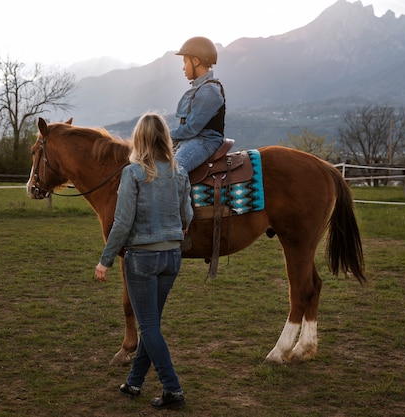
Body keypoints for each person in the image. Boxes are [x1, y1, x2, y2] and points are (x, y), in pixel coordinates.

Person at [95, 112, 193, 409]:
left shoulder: (133, 173)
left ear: (138, 139)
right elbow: (187, 215)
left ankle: (172, 389)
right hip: (171, 258)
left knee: (149, 327)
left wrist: (105, 260)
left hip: (141, 259)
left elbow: (122, 223)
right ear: (165, 138)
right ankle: (135, 382)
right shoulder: (180, 173)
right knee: (152, 325)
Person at [171, 36, 226, 173]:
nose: (183, 68)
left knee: (174, 172)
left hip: (204, 141)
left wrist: (164, 135)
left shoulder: (208, 91)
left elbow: (192, 128)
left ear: (195, 61)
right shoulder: (200, 88)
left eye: (185, 62)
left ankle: (184, 195)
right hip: (192, 140)